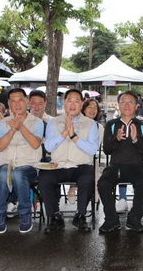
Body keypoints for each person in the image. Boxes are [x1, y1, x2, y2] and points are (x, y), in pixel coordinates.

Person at [38, 89, 98, 233]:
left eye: (76, 101)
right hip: (58, 165)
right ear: (64, 103)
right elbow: (49, 147)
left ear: (82, 104)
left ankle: (80, 216)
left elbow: (92, 150)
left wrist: (74, 136)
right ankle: (55, 217)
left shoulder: (90, 124)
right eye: (69, 100)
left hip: (80, 165)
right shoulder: (53, 122)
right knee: (44, 179)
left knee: (87, 178)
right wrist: (65, 132)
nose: (72, 104)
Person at [98, 91, 143, 234]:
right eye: (123, 102)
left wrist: (135, 140)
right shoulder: (111, 124)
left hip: (136, 166)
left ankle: (134, 219)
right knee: (103, 184)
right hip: (116, 166)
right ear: (118, 105)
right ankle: (111, 219)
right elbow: (107, 150)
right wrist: (116, 139)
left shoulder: (142, 125)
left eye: (131, 102)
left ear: (136, 105)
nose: (127, 105)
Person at [0, 88, 43, 234]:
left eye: (20, 100)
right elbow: (0, 147)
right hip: (7, 164)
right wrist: (12, 130)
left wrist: (21, 127)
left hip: (29, 166)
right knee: (3, 173)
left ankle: (25, 213)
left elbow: (35, 144)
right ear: (9, 104)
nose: (17, 104)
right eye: (13, 101)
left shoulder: (37, 122)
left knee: (18, 173)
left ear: (26, 101)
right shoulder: (3, 123)